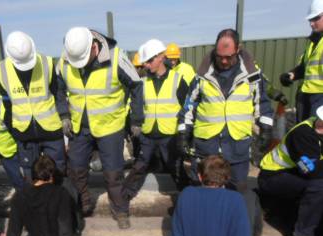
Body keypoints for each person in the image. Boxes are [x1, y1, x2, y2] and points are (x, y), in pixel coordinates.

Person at [58, 26, 144, 228]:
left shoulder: (116, 58)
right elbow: (59, 89)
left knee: (113, 172)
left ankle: (120, 210)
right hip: (79, 126)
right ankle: (82, 206)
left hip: (110, 126)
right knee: (76, 169)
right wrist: (64, 115)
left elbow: (137, 86)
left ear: (94, 47)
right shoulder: (65, 59)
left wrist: (136, 119)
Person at [178, 28, 274, 192]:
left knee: (237, 189)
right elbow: (189, 106)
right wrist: (183, 133)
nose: (223, 61)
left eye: (228, 57)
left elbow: (263, 104)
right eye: (219, 56)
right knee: (200, 188)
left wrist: (266, 130)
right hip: (206, 146)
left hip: (237, 145)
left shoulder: (252, 76)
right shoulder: (201, 76)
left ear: (238, 49)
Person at [0, 31, 65, 181]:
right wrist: (13, 130)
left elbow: (58, 94)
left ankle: (61, 202)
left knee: (58, 170)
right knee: (30, 174)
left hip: (51, 129)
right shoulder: (1, 70)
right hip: (24, 132)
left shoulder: (47, 62)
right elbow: (7, 104)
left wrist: (64, 117)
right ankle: (38, 203)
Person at [123, 39, 189, 200]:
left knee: (176, 168)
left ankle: (189, 198)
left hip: (170, 135)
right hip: (147, 134)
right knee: (139, 166)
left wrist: (185, 133)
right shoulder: (142, 83)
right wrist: (130, 126)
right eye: (145, 62)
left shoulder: (178, 80)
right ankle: (123, 199)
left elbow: (187, 109)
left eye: (149, 61)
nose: (146, 65)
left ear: (160, 57)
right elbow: (134, 106)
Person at [258, 106, 323, 236]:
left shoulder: (317, 129)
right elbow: (309, 170)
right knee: (319, 186)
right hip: (273, 175)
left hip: (294, 173)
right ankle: (304, 233)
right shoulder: (303, 134)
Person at [279, 0, 323, 122]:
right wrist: (290, 75)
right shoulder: (314, 41)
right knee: (304, 134)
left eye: (316, 19)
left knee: (316, 136)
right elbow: (305, 67)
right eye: (310, 20)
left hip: (320, 98)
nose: (312, 24)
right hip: (306, 97)